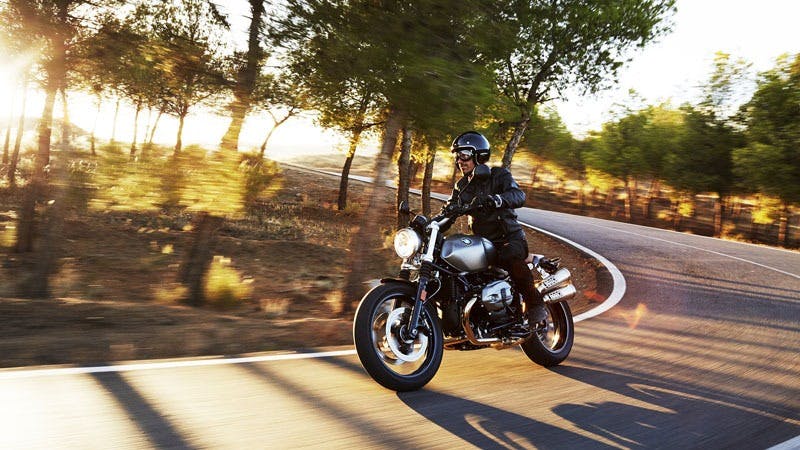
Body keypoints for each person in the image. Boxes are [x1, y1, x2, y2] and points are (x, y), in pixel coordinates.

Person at [441, 131, 548, 324]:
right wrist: (432, 223)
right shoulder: (462, 186)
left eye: (464, 154)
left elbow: (518, 196)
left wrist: (497, 200)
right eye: (457, 156)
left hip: (509, 238)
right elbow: (449, 211)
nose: (460, 160)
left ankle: (535, 303)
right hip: (484, 244)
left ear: (478, 155)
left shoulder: (499, 176)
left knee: (508, 256)